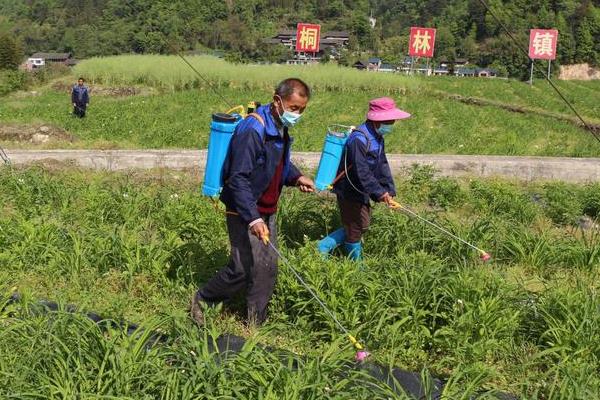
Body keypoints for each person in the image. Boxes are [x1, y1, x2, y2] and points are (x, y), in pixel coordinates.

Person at [191, 78, 315, 327]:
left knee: (267, 267)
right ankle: (202, 299)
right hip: (244, 209)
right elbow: (237, 178)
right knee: (243, 268)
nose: (297, 114)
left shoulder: (279, 126)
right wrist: (253, 218)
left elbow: (276, 162)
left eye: (301, 110)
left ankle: (256, 323)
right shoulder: (253, 129)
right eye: (293, 108)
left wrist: (296, 176)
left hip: (266, 208)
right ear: (277, 100)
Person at [318, 97, 411, 261]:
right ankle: (342, 258)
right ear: (377, 120)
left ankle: (327, 247)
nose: (391, 124)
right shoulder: (359, 139)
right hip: (349, 188)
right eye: (389, 121)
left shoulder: (377, 137)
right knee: (357, 226)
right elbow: (362, 172)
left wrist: (388, 189)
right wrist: (379, 193)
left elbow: (382, 164)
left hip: (362, 188)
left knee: (361, 224)